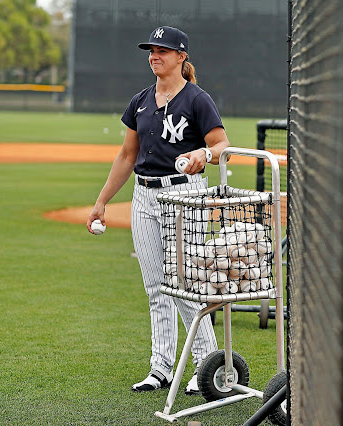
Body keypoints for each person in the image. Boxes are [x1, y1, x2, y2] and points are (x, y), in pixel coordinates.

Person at [86, 26, 230, 392]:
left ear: (181, 56)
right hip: (144, 195)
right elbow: (126, 156)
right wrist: (101, 202)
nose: (155, 55)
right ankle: (161, 367)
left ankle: (206, 367)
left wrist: (204, 154)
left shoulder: (197, 99)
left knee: (185, 285)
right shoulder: (140, 100)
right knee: (155, 288)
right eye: (151, 50)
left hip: (185, 194)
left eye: (163, 50)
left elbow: (221, 145)